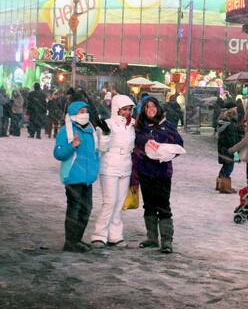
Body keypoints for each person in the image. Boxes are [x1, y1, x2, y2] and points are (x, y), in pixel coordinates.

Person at [133, 97, 184, 254]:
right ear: (144, 110)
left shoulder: (167, 126)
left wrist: (165, 154)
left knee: (163, 205)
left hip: (162, 173)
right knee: (148, 205)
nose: (151, 109)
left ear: (158, 108)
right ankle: (152, 238)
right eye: (148, 107)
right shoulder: (139, 127)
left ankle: (166, 240)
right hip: (145, 171)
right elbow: (134, 148)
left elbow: (179, 146)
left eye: (153, 106)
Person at [53, 101, 100, 253]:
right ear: (73, 113)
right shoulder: (66, 131)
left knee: (86, 210)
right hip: (73, 176)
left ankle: (77, 239)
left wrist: (95, 168)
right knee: (75, 208)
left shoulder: (90, 130)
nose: (84, 113)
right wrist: (72, 145)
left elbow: (96, 152)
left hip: (87, 177)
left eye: (86, 110)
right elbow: (58, 154)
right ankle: (70, 241)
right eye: (81, 111)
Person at [90, 95, 136, 249]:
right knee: (109, 202)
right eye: (124, 109)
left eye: (129, 109)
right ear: (117, 109)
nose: (127, 112)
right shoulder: (107, 124)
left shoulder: (131, 126)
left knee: (119, 203)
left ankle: (115, 235)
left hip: (125, 166)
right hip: (109, 167)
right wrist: (105, 134)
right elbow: (102, 149)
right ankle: (99, 234)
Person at [216, 101, 240, 194]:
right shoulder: (229, 124)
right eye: (235, 108)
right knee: (229, 167)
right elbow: (232, 139)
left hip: (223, 147)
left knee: (225, 166)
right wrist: (235, 151)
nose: (236, 110)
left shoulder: (224, 122)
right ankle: (225, 187)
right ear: (231, 110)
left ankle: (220, 185)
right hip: (229, 149)